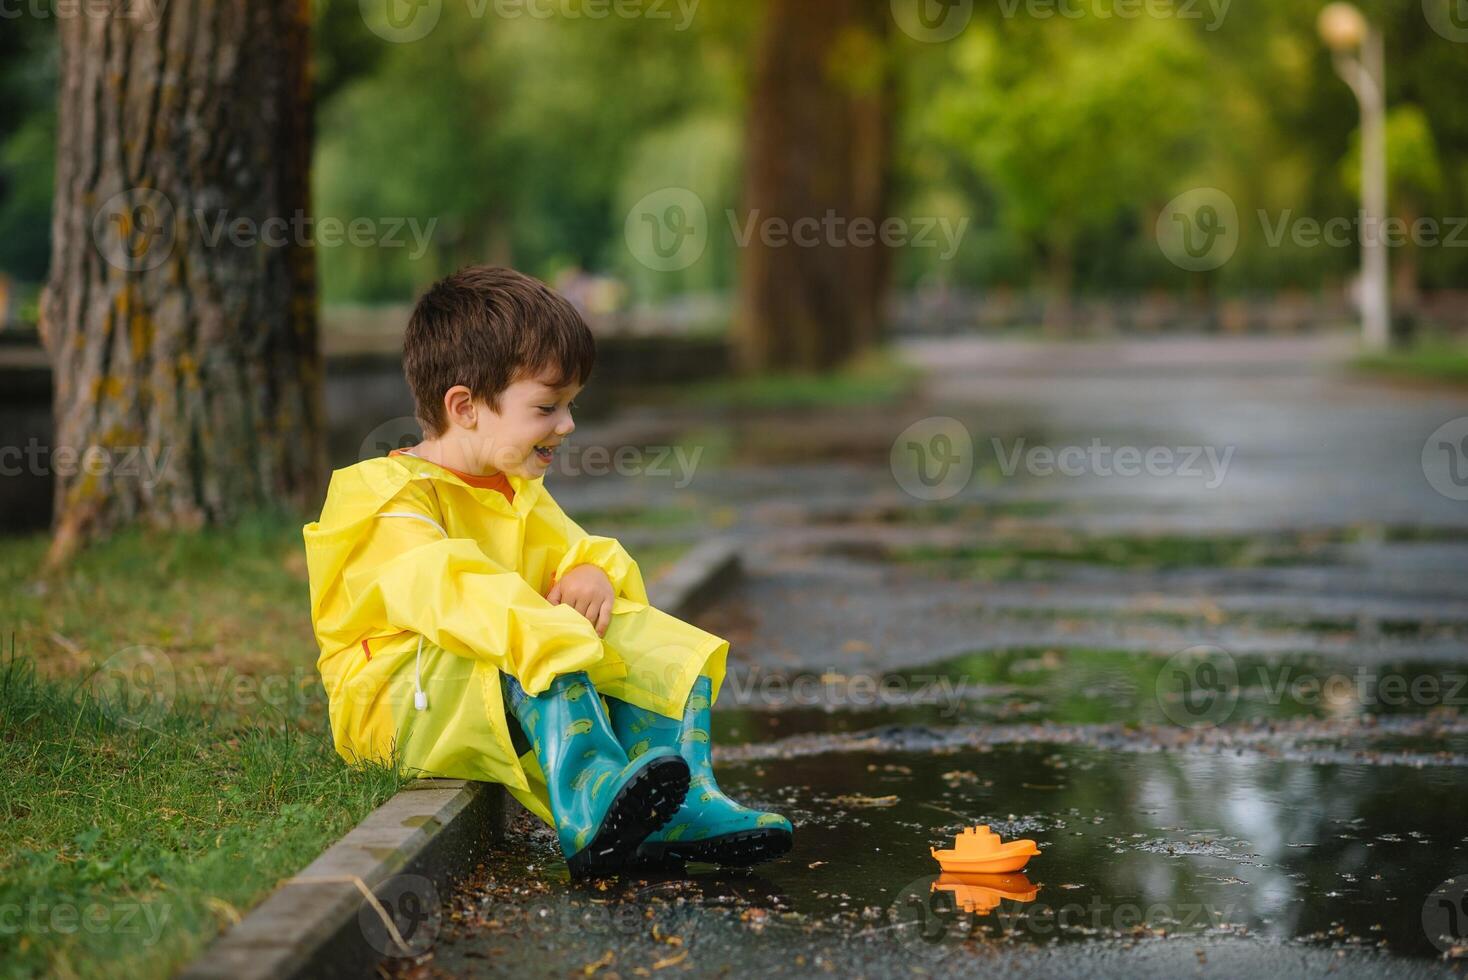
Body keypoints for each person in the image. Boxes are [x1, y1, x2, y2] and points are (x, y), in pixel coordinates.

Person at [301, 266, 791, 876]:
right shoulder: (385, 496)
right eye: (546, 407)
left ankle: (683, 802)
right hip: (395, 701)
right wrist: (554, 630)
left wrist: (591, 573)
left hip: (486, 668)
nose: (567, 425)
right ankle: (590, 803)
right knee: (539, 641)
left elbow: (576, 549)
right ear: (466, 406)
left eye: (569, 406)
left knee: (642, 635)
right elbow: (451, 589)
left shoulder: (514, 489)